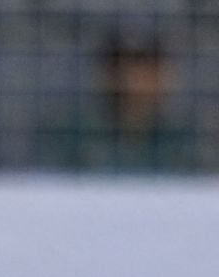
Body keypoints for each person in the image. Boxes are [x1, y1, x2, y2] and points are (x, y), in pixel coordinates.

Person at [38, 33, 200, 174]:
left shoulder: (180, 136)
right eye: (130, 66)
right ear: (109, 72)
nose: (140, 78)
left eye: (150, 67)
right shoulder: (70, 131)